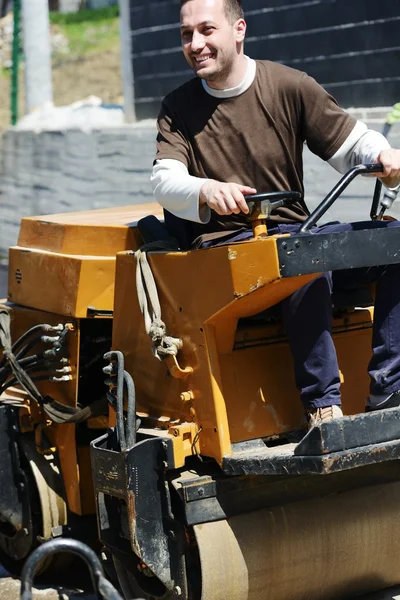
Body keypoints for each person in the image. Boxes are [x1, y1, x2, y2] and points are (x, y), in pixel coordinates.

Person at [151, 0, 400, 426]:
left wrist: (384, 154)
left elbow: (351, 141)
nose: (195, 44)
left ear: (239, 30)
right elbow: (164, 181)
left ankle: (388, 391)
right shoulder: (177, 107)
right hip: (224, 254)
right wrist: (206, 189)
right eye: (186, 34)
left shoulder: (289, 85)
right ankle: (324, 407)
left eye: (207, 30)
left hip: (292, 238)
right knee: (305, 255)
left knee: (389, 242)